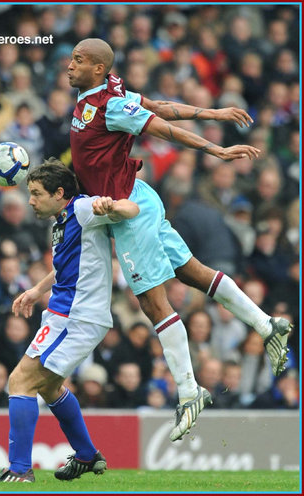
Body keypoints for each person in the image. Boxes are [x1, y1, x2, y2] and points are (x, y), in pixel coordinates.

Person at [67, 38, 293, 441]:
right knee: (191, 272)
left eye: (78, 60)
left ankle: (190, 391)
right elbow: (159, 104)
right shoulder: (105, 90)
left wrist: (217, 149)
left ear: (99, 68)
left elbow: (163, 127)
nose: (69, 66)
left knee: (153, 303)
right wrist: (215, 112)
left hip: (129, 211)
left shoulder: (111, 104)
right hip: (138, 197)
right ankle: (268, 324)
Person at [0, 159, 139, 483]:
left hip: (77, 315)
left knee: (21, 381)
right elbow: (69, 265)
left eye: (37, 193)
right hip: (65, 311)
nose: (31, 201)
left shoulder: (83, 208)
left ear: (60, 193)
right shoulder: (60, 221)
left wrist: (112, 205)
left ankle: (19, 469)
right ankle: (86, 455)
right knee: (51, 387)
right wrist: (37, 290)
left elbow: (132, 210)